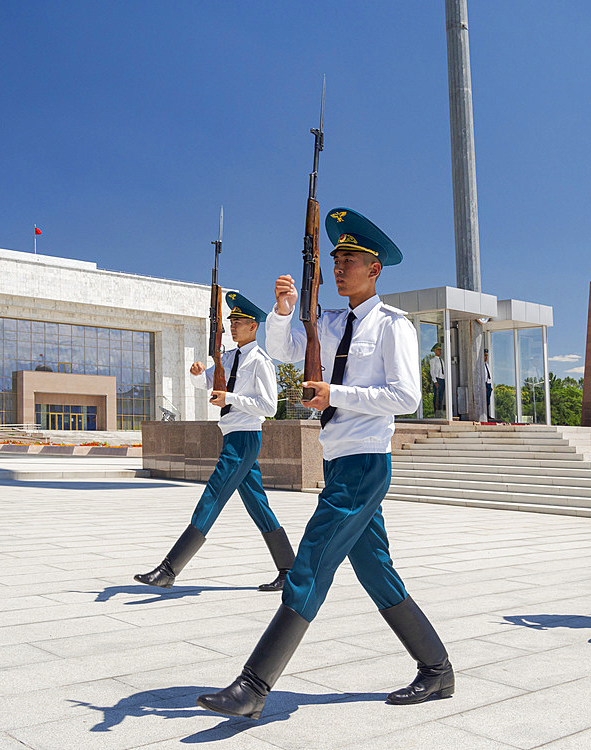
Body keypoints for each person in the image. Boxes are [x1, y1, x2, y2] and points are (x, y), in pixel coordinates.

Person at [196, 207, 453, 720]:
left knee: (309, 563)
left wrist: (335, 392)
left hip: (364, 464)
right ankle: (437, 670)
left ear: (375, 269)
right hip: (340, 462)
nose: (339, 266)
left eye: (349, 259)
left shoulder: (392, 325)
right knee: (377, 572)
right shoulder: (331, 322)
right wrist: (287, 308)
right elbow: (285, 348)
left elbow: (404, 396)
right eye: (334, 258)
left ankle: (254, 685)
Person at [133, 291, 295, 592]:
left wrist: (230, 397)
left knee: (212, 496)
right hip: (231, 435)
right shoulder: (229, 358)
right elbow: (208, 382)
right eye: (231, 321)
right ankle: (290, 570)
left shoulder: (261, 361)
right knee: (259, 506)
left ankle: (170, 568)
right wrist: (196, 375)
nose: (233, 327)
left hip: (245, 438)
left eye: (239, 322)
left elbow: (269, 407)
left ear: (254, 327)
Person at [429, 343, 445, 414]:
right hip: (437, 379)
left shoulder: (442, 360)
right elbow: (432, 371)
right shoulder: (433, 360)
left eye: (440, 350)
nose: (440, 351)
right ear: (435, 351)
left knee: (441, 396)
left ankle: (440, 410)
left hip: (442, 379)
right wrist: (435, 381)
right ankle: (436, 410)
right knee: (437, 396)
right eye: (438, 350)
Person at [484, 348, 493, 421]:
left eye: (486, 356)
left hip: (488, 384)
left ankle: (488, 414)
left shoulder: (487, 365)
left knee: (488, 401)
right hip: (484, 384)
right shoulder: (481, 365)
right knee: (485, 400)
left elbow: (489, 376)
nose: (486, 357)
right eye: (484, 356)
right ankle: (485, 415)